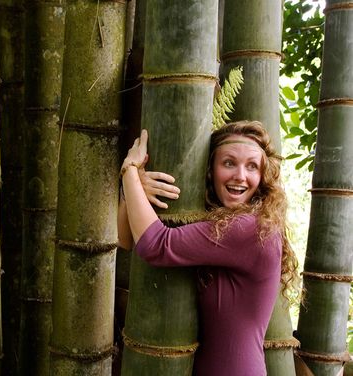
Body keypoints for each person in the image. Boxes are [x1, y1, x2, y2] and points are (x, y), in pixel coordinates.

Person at [118, 120, 298, 375]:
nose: (240, 176)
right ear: (210, 169)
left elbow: (155, 245)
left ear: (262, 176)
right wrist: (134, 190)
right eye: (229, 163)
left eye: (252, 167)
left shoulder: (251, 228)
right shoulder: (219, 221)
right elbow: (125, 238)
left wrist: (130, 170)